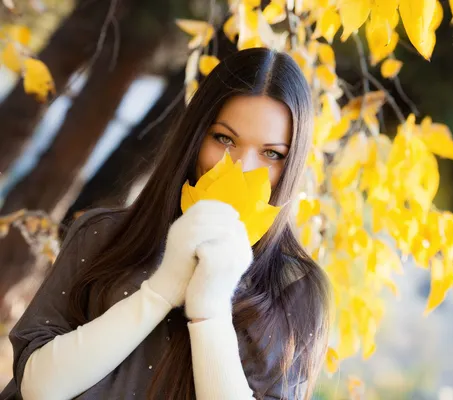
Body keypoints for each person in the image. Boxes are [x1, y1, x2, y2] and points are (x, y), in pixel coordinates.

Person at [1, 47, 330, 400]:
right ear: (195, 136)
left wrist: (211, 311)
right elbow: (38, 388)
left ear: (291, 164)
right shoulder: (102, 234)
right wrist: (160, 291)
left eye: (271, 154)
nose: (241, 168)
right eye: (224, 139)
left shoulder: (295, 290)